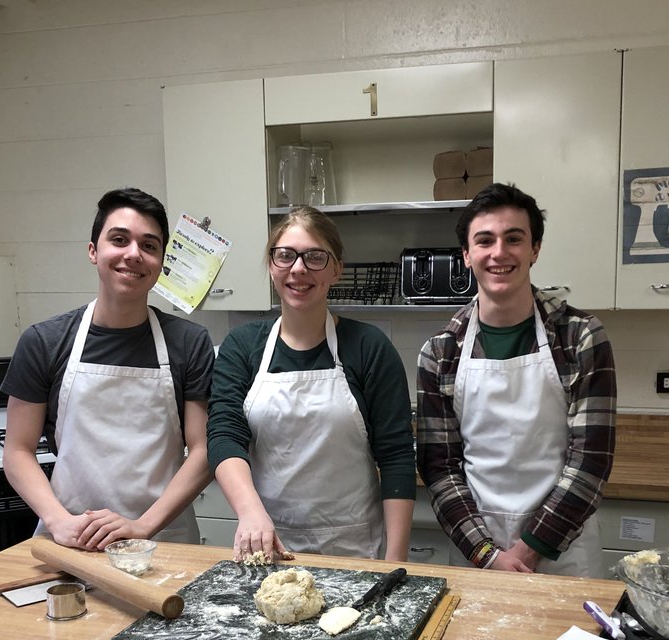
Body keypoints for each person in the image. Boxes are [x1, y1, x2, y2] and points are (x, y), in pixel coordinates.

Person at [417, 182, 617, 576]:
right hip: (478, 552)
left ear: (535, 249)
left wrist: (528, 551)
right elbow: (439, 467)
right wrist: (489, 554)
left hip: (564, 551)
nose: (499, 252)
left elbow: (591, 460)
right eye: (485, 240)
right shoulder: (441, 351)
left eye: (514, 239)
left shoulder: (579, 336)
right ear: (467, 255)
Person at [2, 187, 214, 549]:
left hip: (163, 540)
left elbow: (204, 450)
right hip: (71, 538)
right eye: (119, 239)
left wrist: (143, 526)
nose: (134, 254)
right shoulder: (44, 341)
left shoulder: (188, 343)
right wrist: (58, 521)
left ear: (161, 262)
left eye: (149, 246)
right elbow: (17, 451)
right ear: (93, 251)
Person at [208, 207, 415, 562]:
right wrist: (251, 512)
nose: (299, 268)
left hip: (353, 548)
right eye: (285, 255)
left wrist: (394, 563)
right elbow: (224, 436)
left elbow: (396, 456)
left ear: (337, 269)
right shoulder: (242, 346)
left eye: (315, 257)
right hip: (267, 544)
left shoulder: (368, 347)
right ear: (271, 266)